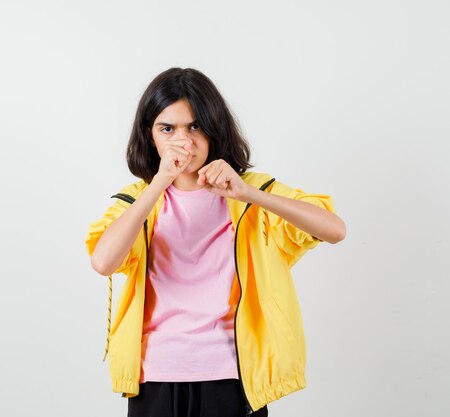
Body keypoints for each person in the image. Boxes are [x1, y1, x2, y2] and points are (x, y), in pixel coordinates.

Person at [84, 67, 346, 417]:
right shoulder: (138, 199)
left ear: (214, 127)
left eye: (195, 126)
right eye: (167, 128)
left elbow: (334, 229)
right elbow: (104, 262)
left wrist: (247, 192)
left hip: (233, 376)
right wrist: (160, 182)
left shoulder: (251, 192)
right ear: (150, 137)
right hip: (155, 375)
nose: (184, 140)